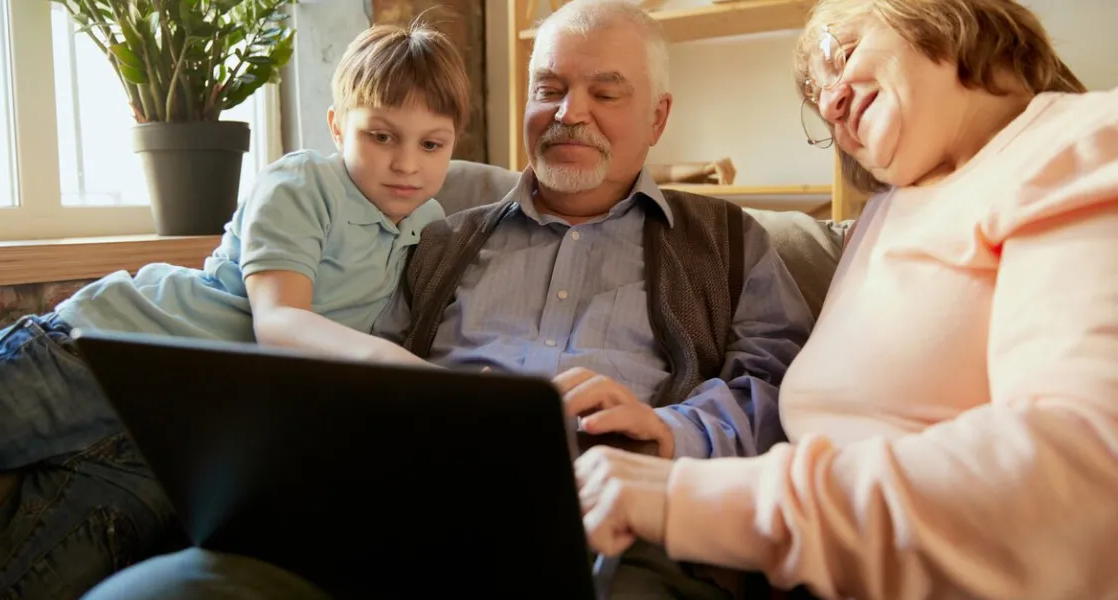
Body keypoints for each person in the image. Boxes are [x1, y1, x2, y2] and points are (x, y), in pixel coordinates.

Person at [81, 1, 816, 599]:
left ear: (657, 118)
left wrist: (668, 428)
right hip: (401, 507)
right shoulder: (430, 236)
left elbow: (784, 387)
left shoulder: (726, 240)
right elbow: (344, 359)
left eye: (606, 92)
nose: (569, 113)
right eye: (549, 89)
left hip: (607, 523)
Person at [575, 0, 1118, 599]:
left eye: (843, 52)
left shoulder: (1079, 142)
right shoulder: (882, 213)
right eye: (817, 102)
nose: (832, 105)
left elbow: (1079, 474)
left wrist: (689, 501)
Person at [0, 21, 470, 598]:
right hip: (94, 355)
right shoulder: (303, 184)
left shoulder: (427, 230)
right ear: (337, 126)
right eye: (381, 136)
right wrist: (420, 379)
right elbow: (280, 323)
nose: (407, 163)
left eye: (431, 144)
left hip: (176, 443)